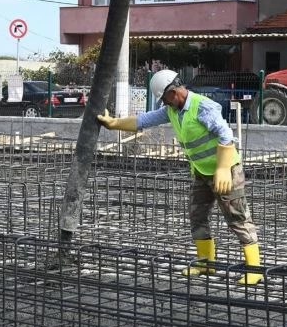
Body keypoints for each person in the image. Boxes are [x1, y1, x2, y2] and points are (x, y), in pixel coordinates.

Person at [97, 70, 263, 285]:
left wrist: (222, 168)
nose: (164, 103)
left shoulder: (203, 107)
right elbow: (144, 120)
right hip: (201, 172)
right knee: (197, 216)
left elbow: (226, 135)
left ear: (173, 93)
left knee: (237, 218)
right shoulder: (172, 110)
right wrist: (114, 123)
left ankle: (255, 268)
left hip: (226, 171)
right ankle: (206, 263)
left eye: (164, 98)